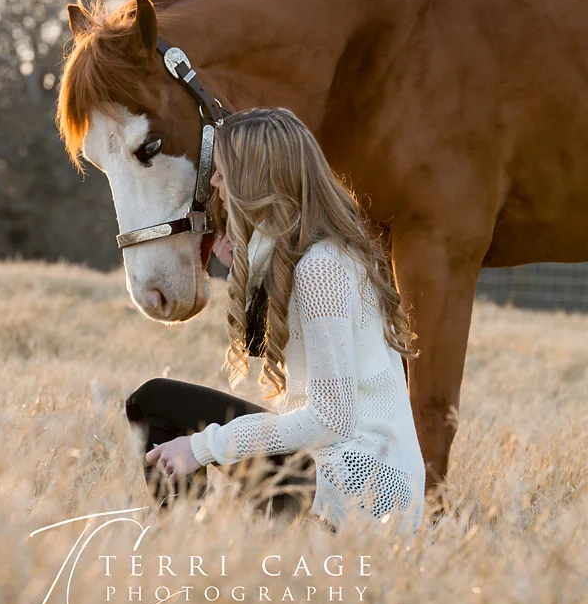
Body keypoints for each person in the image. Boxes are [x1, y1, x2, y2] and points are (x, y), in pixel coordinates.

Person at [125, 106, 425, 534]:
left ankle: (180, 542)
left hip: (369, 490)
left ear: (256, 181)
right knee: (155, 401)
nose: (213, 183)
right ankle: (186, 540)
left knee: (156, 402)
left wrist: (202, 446)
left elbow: (329, 420)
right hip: (337, 468)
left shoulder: (321, 266)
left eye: (224, 174)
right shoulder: (307, 255)